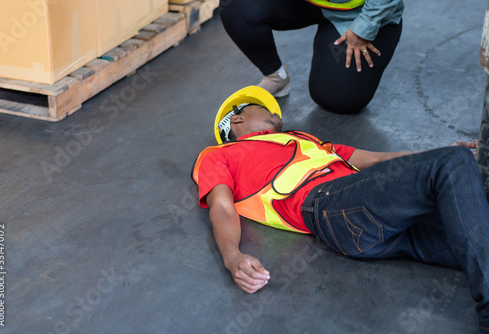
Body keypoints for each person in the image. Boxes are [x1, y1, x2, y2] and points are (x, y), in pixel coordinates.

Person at [191, 86, 489, 333]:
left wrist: (440, 155)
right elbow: (222, 206)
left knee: (473, 221)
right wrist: (232, 257)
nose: (275, 112)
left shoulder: (304, 140)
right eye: (264, 108)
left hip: (371, 214)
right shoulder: (220, 154)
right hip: (330, 207)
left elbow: (374, 160)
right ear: (237, 119)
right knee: (454, 163)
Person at [219, 0, 404, 114]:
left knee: (337, 99)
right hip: (311, 4)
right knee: (236, 5)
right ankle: (276, 76)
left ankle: (358, 29)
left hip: (360, 14)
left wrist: (364, 27)